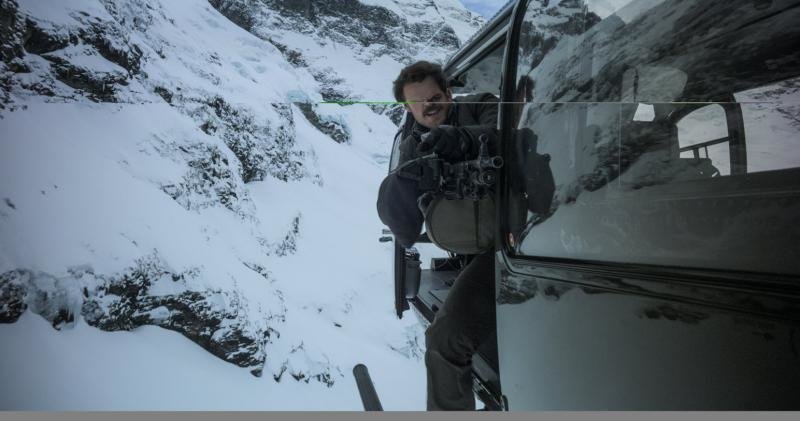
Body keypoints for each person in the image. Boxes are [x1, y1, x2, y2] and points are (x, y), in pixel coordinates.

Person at [376, 61, 498, 411]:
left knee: (447, 340)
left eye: (434, 97)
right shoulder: (413, 145)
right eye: (418, 102)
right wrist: (402, 184)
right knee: (444, 340)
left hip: (525, 237)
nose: (428, 106)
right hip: (485, 255)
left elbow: (512, 134)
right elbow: (406, 229)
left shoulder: (481, 106)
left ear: (448, 93)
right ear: (407, 109)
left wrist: (462, 140)